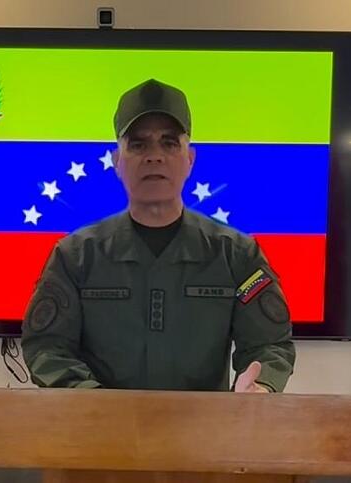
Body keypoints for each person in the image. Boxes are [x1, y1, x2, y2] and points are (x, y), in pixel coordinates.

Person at [21, 78, 295, 392]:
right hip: (102, 422)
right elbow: (47, 348)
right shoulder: (75, 256)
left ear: (190, 160)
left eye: (169, 143)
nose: (154, 156)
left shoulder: (237, 255)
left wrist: (260, 385)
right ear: (117, 162)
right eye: (138, 144)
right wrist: (92, 400)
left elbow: (270, 345)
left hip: (204, 423)